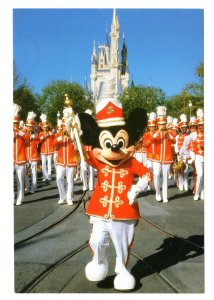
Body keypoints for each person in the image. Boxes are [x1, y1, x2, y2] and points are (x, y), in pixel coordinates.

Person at [151, 106, 175, 203]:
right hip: (156, 158)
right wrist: (159, 131)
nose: (162, 125)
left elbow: (173, 140)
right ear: (157, 124)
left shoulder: (170, 132)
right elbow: (150, 140)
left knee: (165, 178)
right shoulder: (155, 133)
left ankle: (165, 196)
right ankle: (157, 192)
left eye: (163, 124)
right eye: (160, 124)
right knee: (156, 175)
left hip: (167, 158)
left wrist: (167, 133)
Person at [52, 117, 77, 205]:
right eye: (63, 126)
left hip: (70, 161)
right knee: (59, 178)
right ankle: (62, 197)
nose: (65, 128)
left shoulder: (74, 135)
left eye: (66, 126)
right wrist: (61, 137)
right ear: (62, 126)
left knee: (70, 180)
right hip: (61, 161)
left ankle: (69, 198)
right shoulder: (58, 135)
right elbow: (53, 144)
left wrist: (71, 137)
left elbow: (77, 148)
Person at [181, 109, 204, 200]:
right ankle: (197, 193)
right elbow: (186, 142)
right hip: (198, 157)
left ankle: (203, 192)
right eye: (200, 125)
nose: (202, 127)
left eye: (203, 125)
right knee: (200, 174)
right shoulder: (194, 134)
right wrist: (184, 153)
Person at [13, 104, 29, 205]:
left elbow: (27, 137)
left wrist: (18, 132)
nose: (14, 125)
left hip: (21, 159)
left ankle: (20, 197)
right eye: (13, 123)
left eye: (16, 123)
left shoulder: (22, 132)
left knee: (19, 180)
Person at [24, 112, 40, 193]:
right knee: (26, 173)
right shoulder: (23, 134)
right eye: (28, 126)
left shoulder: (36, 134)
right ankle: (28, 185)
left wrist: (35, 137)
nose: (29, 128)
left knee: (34, 172)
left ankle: (33, 187)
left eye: (31, 127)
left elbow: (38, 142)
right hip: (26, 156)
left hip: (33, 156)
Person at [174, 114, 190, 191]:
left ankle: (186, 183)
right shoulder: (177, 136)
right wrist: (177, 152)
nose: (184, 129)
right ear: (180, 128)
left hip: (186, 154)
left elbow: (190, 145)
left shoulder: (189, 136)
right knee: (180, 170)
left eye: (185, 127)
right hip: (180, 155)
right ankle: (180, 184)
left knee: (186, 170)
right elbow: (176, 145)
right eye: (182, 128)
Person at [39, 113, 54, 183]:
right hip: (43, 151)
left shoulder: (51, 133)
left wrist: (51, 135)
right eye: (44, 127)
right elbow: (39, 141)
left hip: (50, 150)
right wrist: (43, 137)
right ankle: (44, 176)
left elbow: (54, 140)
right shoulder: (41, 134)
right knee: (43, 163)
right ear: (42, 127)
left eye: (46, 127)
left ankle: (49, 175)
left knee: (49, 163)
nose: (45, 128)